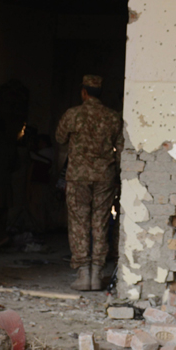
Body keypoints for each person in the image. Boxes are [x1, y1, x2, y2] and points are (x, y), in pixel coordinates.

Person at [56, 75, 124, 291]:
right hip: (105, 175)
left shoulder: (73, 114)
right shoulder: (113, 117)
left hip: (78, 176)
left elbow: (59, 138)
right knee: (100, 222)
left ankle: (83, 273)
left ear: (84, 92)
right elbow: (121, 149)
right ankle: (97, 274)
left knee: (79, 222)